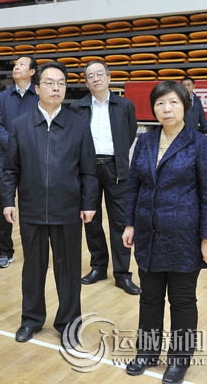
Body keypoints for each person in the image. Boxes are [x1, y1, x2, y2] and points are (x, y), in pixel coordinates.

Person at [123, 81, 207, 384]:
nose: (167, 109)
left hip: (184, 236)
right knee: (149, 298)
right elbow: (133, 185)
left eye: (173, 102)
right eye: (160, 103)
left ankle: (179, 360)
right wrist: (129, 223)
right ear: (153, 108)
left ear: (185, 106)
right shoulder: (145, 142)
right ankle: (147, 352)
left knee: (182, 300)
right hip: (149, 234)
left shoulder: (200, 144)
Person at [0, 61, 98, 347]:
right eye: (50, 83)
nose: (56, 88)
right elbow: (10, 169)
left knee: (68, 270)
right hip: (31, 209)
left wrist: (89, 203)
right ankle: (31, 319)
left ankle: (68, 324)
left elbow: (88, 170)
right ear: (37, 88)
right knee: (33, 268)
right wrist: (8, 200)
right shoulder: (21, 125)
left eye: (61, 83)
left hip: (67, 209)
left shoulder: (78, 124)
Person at [70, 61, 140, 295]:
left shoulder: (125, 105)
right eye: (90, 76)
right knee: (91, 219)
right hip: (88, 168)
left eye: (100, 74)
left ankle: (122, 274)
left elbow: (130, 133)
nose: (96, 78)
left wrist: (117, 155)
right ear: (86, 82)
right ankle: (98, 267)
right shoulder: (77, 107)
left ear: (109, 77)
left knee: (120, 222)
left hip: (116, 167)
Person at [0, 56, 38, 268]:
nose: (16, 67)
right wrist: (15, 147)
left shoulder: (39, 95)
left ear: (32, 72)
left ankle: (34, 252)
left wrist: (26, 147)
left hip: (33, 161)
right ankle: (5, 251)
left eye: (21, 65)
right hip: (6, 161)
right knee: (4, 207)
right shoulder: (2, 97)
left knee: (32, 208)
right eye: (15, 65)